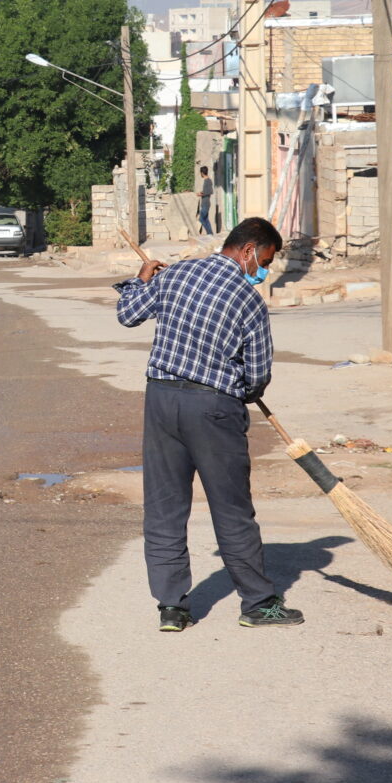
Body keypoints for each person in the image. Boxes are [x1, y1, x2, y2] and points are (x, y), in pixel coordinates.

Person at [114, 217, 302, 632]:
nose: (263, 271)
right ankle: (257, 603)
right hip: (214, 408)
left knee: (164, 508)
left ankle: (172, 608)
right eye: (265, 261)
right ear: (249, 250)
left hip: (161, 400)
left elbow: (128, 314)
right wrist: (245, 392)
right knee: (232, 509)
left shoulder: (175, 274)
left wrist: (140, 280)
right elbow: (256, 375)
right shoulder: (248, 301)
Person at [197, 164, 215, 235]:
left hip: (206, 203)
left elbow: (210, 191)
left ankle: (209, 233)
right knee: (206, 219)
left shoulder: (208, 180)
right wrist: (202, 192)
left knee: (201, 219)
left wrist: (201, 194)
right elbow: (206, 191)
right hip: (204, 203)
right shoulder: (206, 180)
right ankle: (210, 234)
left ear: (202, 173)